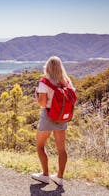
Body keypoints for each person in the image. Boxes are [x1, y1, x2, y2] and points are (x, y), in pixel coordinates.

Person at [31, 56, 75, 186]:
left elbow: (43, 104)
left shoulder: (44, 82)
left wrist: (37, 96)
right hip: (62, 117)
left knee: (40, 146)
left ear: (48, 67)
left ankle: (45, 175)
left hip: (48, 116)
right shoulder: (67, 81)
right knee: (61, 149)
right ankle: (59, 177)